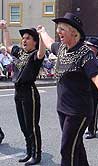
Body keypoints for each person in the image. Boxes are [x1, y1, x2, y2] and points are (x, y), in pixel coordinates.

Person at [37, 12, 98, 166]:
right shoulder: (62, 48)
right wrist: (42, 32)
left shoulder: (85, 53)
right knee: (76, 145)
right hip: (63, 109)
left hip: (79, 111)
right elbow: (49, 43)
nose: (58, 32)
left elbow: (96, 75)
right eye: (58, 29)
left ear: (73, 32)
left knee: (67, 149)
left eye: (62, 29)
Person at [0, 20, 46, 165]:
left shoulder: (35, 55)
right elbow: (8, 46)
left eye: (28, 38)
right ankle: (29, 151)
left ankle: (36, 154)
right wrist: (5, 29)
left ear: (35, 42)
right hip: (17, 91)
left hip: (29, 92)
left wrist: (41, 35)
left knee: (32, 125)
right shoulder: (19, 52)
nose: (24, 40)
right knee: (23, 125)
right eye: (23, 38)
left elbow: (41, 52)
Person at [85, 37, 98, 139]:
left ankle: (92, 130)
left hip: (95, 89)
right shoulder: (87, 58)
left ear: (96, 49)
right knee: (86, 110)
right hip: (86, 88)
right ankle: (90, 127)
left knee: (93, 111)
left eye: (90, 47)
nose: (88, 48)